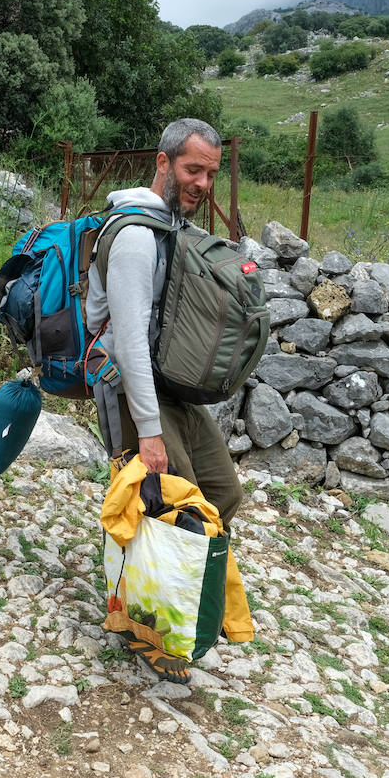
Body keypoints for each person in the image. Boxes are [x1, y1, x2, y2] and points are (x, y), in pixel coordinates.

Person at [86, 118, 249, 679]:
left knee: (221, 492)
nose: (203, 183)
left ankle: (164, 591)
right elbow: (129, 340)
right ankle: (147, 628)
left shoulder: (173, 227)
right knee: (163, 506)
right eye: (192, 170)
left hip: (168, 384)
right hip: (132, 386)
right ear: (162, 163)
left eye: (210, 172)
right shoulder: (135, 235)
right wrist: (149, 431)